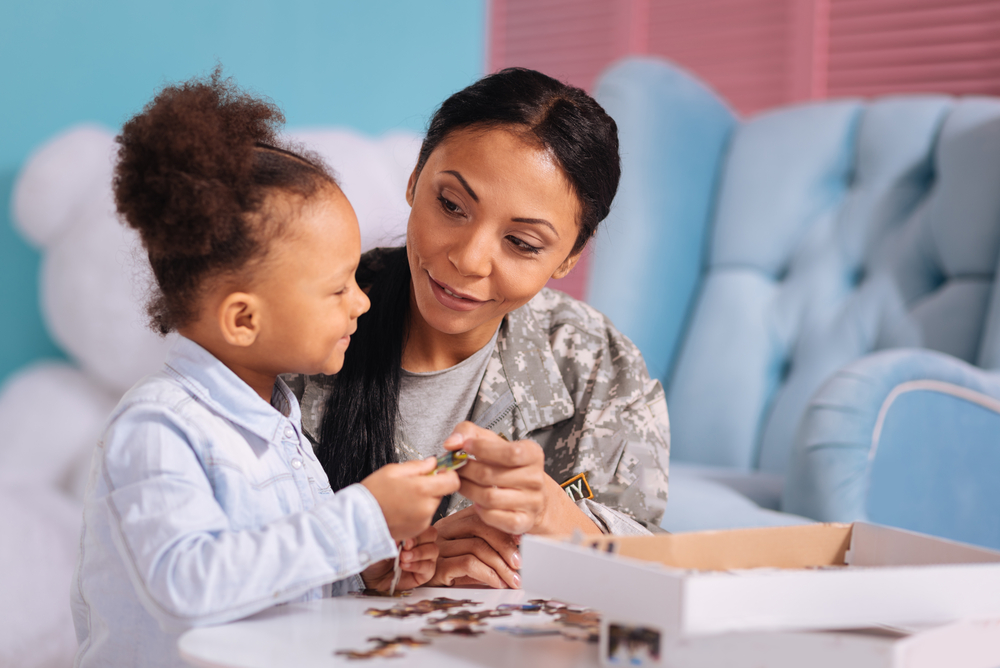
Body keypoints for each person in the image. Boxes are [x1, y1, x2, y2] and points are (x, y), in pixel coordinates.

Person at [70, 72, 459, 668]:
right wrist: (362, 517)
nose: (363, 301)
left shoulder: (279, 424)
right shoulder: (155, 428)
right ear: (243, 319)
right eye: (338, 288)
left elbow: (278, 580)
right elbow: (190, 586)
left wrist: (369, 568)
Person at [289, 67, 670, 590]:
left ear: (570, 256)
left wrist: (556, 519)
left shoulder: (595, 362)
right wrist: (371, 570)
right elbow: (216, 554)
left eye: (522, 243)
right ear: (415, 177)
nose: (468, 260)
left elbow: (656, 563)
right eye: (451, 205)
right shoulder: (302, 316)